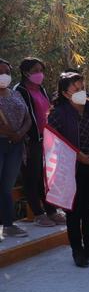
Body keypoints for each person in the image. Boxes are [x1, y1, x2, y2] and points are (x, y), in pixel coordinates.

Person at [48, 72, 89, 268]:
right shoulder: (58, 114)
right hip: (70, 170)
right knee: (74, 212)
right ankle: (78, 250)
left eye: (82, 87)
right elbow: (54, 143)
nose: (81, 91)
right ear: (65, 93)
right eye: (76, 89)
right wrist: (77, 155)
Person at [14, 57, 64, 227]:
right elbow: (24, 117)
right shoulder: (20, 91)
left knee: (46, 177)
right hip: (31, 142)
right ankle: (38, 213)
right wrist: (31, 137)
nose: (39, 74)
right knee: (32, 178)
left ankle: (51, 211)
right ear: (25, 72)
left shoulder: (41, 89)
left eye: (41, 70)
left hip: (47, 140)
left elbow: (47, 112)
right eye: (35, 70)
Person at [0, 58, 32, 239]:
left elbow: (28, 118)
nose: (4, 75)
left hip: (16, 145)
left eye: (7, 72)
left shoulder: (16, 94)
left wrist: (19, 133)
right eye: (0, 72)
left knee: (6, 186)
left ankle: (9, 224)